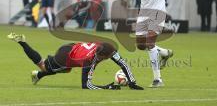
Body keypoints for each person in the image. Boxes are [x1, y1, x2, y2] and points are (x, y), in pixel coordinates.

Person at [128, 0, 208, 87]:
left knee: (150, 42)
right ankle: (164, 53)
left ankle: (157, 79)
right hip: (143, 11)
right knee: (141, 45)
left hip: (158, 10)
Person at [7, 32, 144, 90]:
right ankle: (22, 42)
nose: (99, 59)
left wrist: (132, 82)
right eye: (98, 57)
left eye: (101, 57)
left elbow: (123, 63)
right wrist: (107, 87)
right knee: (44, 65)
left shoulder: (110, 50)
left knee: (67, 70)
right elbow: (86, 86)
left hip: (74, 47)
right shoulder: (90, 59)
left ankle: (37, 75)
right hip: (65, 56)